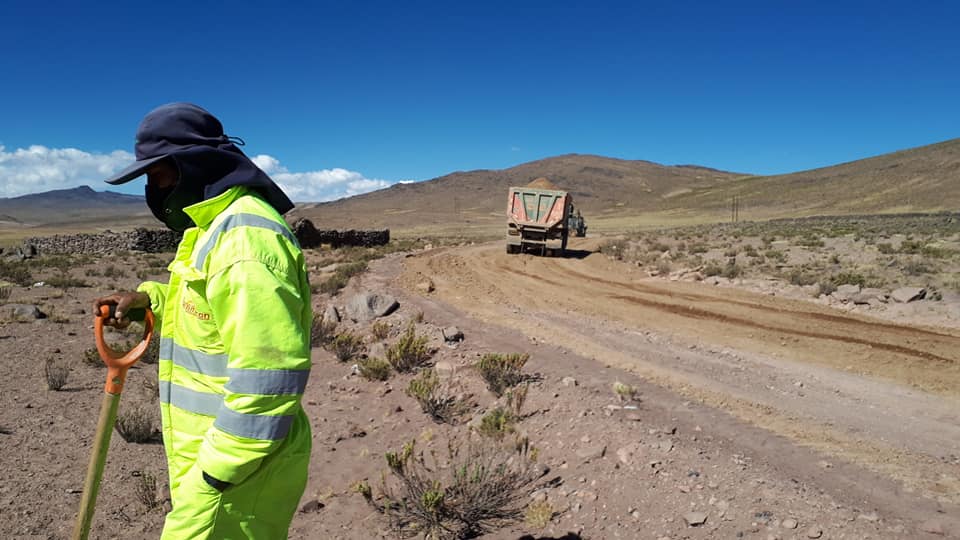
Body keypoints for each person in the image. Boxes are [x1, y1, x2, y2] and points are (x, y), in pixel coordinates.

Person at [94, 102, 312, 539]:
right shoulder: (212, 229)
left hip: (238, 470)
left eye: (158, 175)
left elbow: (267, 381)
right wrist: (148, 298)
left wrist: (213, 477)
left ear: (192, 166)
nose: (153, 189)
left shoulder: (244, 241)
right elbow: (207, 304)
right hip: (222, 460)